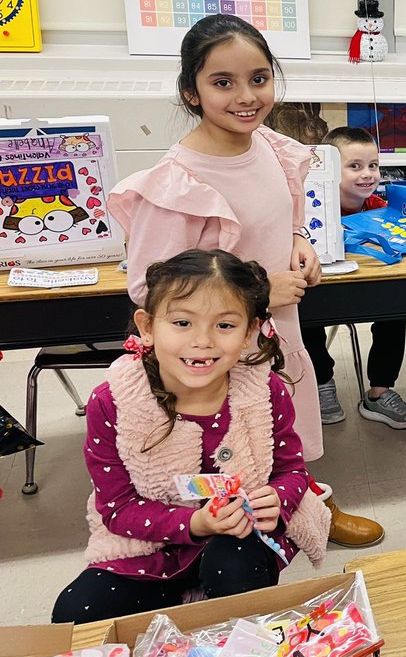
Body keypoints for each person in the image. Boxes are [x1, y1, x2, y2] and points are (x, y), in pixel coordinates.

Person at [109, 14, 383, 548]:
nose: (246, 96)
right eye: (222, 82)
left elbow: (283, 212)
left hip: (278, 328)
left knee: (286, 426)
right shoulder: (178, 180)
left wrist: (300, 240)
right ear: (191, 90)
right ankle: (242, 527)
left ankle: (308, 502)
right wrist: (259, 292)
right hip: (219, 347)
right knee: (239, 437)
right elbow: (149, 288)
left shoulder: (270, 148)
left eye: (259, 78)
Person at [51, 250, 331, 624]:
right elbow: (117, 509)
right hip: (150, 546)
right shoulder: (114, 401)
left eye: (225, 326)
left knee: (231, 571)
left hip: (239, 539)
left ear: (250, 331)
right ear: (147, 327)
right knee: (75, 613)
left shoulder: (263, 390)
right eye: (182, 322)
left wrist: (277, 499)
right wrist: (194, 524)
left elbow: (293, 472)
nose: (202, 341)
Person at [301, 126, 406, 430]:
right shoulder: (307, 213)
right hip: (322, 293)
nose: (367, 174)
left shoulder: (381, 210)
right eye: (354, 166)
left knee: (397, 311)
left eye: (373, 166)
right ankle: (320, 383)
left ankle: (379, 393)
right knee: (304, 317)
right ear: (330, 170)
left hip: (368, 291)